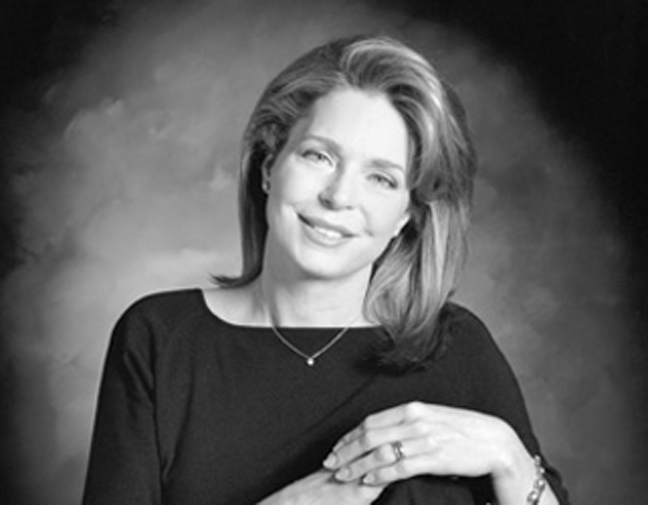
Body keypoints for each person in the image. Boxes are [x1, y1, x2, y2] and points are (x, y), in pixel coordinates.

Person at [82, 35, 570, 505]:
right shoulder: (161, 338)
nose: (338, 197)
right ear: (269, 166)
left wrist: (508, 456)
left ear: (406, 216)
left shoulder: (457, 347)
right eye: (319, 156)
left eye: (381, 178)